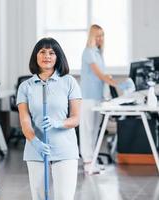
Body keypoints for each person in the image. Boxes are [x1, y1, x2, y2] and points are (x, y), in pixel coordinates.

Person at [17, 37, 82, 200]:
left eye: (52, 53)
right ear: (36, 56)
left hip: (64, 149)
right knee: (38, 196)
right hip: (36, 149)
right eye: (43, 52)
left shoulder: (69, 82)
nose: (47, 56)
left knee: (64, 197)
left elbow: (75, 118)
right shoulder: (26, 86)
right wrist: (35, 142)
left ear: (58, 57)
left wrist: (58, 123)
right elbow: (25, 122)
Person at [79, 24, 134, 174]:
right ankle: (87, 161)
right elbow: (99, 75)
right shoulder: (89, 52)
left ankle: (93, 159)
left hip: (98, 97)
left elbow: (103, 76)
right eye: (97, 35)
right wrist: (118, 84)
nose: (100, 38)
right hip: (88, 97)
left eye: (102, 35)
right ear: (91, 36)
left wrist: (110, 81)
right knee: (87, 130)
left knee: (95, 130)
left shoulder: (98, 53)